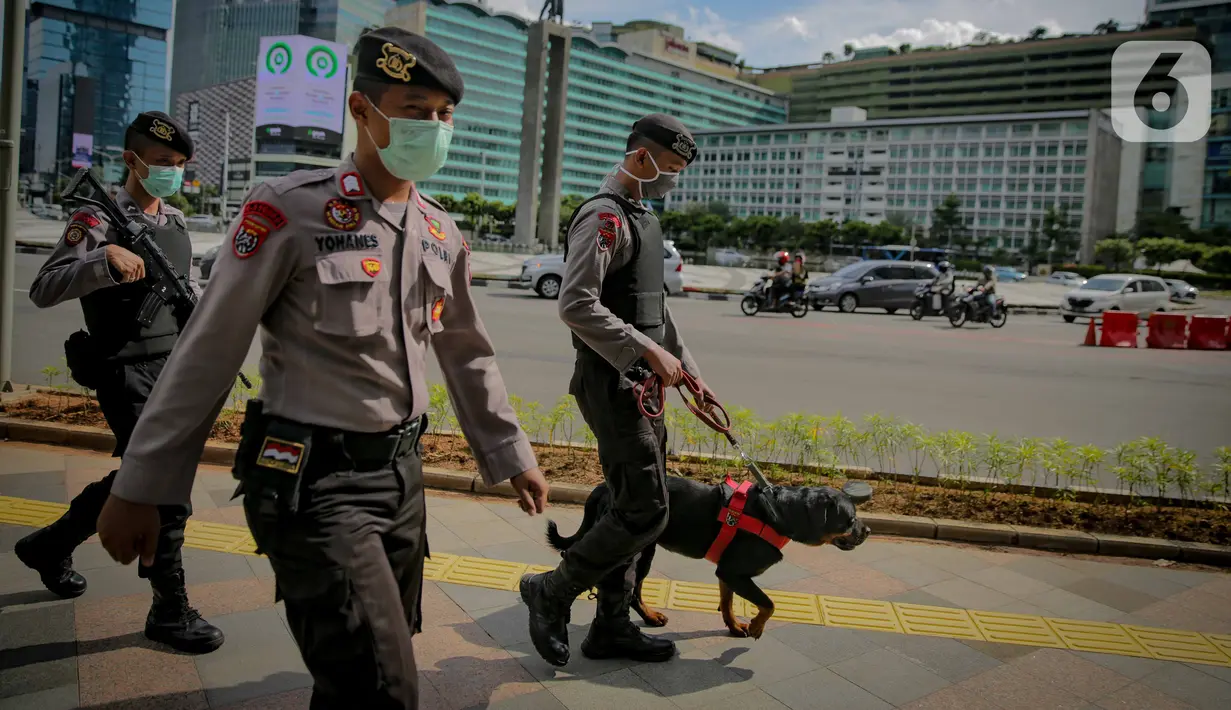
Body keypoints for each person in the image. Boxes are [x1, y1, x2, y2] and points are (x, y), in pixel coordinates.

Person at [93, 28, 549, 709]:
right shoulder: (289, 209)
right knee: (383, 686)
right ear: (362, 110)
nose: (435, 128)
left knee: (357, 675)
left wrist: (509, 450)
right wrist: (141, 484)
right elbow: (207, 351)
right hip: (313, 482)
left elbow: (463, 347)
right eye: (416, 109)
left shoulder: (439, 230)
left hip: (402, 480)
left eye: (445, 116)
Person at [17, 111, 224, 654]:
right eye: (161, 164)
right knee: (164, 489)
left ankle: (50, 545)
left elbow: (190, 291)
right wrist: (103, 261)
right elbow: (43, 288)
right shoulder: (97, 218)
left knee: (142, 479)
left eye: (179, 165)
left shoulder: (176, 221)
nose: (171, 174)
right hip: (124, 370)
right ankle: (169, 609)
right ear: (131, 160)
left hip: (174, 371)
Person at [520, 113, 715, 668]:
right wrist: (645, 352)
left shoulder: (643, 217)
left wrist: (692, 376)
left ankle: (610, 625)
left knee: (639, 506)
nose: (672, 180)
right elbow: (575, 304)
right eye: (669, 168)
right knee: (646, 507)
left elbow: (657, 312)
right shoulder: (603, 217)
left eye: (679, 171)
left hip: (645, 385)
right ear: (639, 158)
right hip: (611, 382)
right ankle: (552, 590)